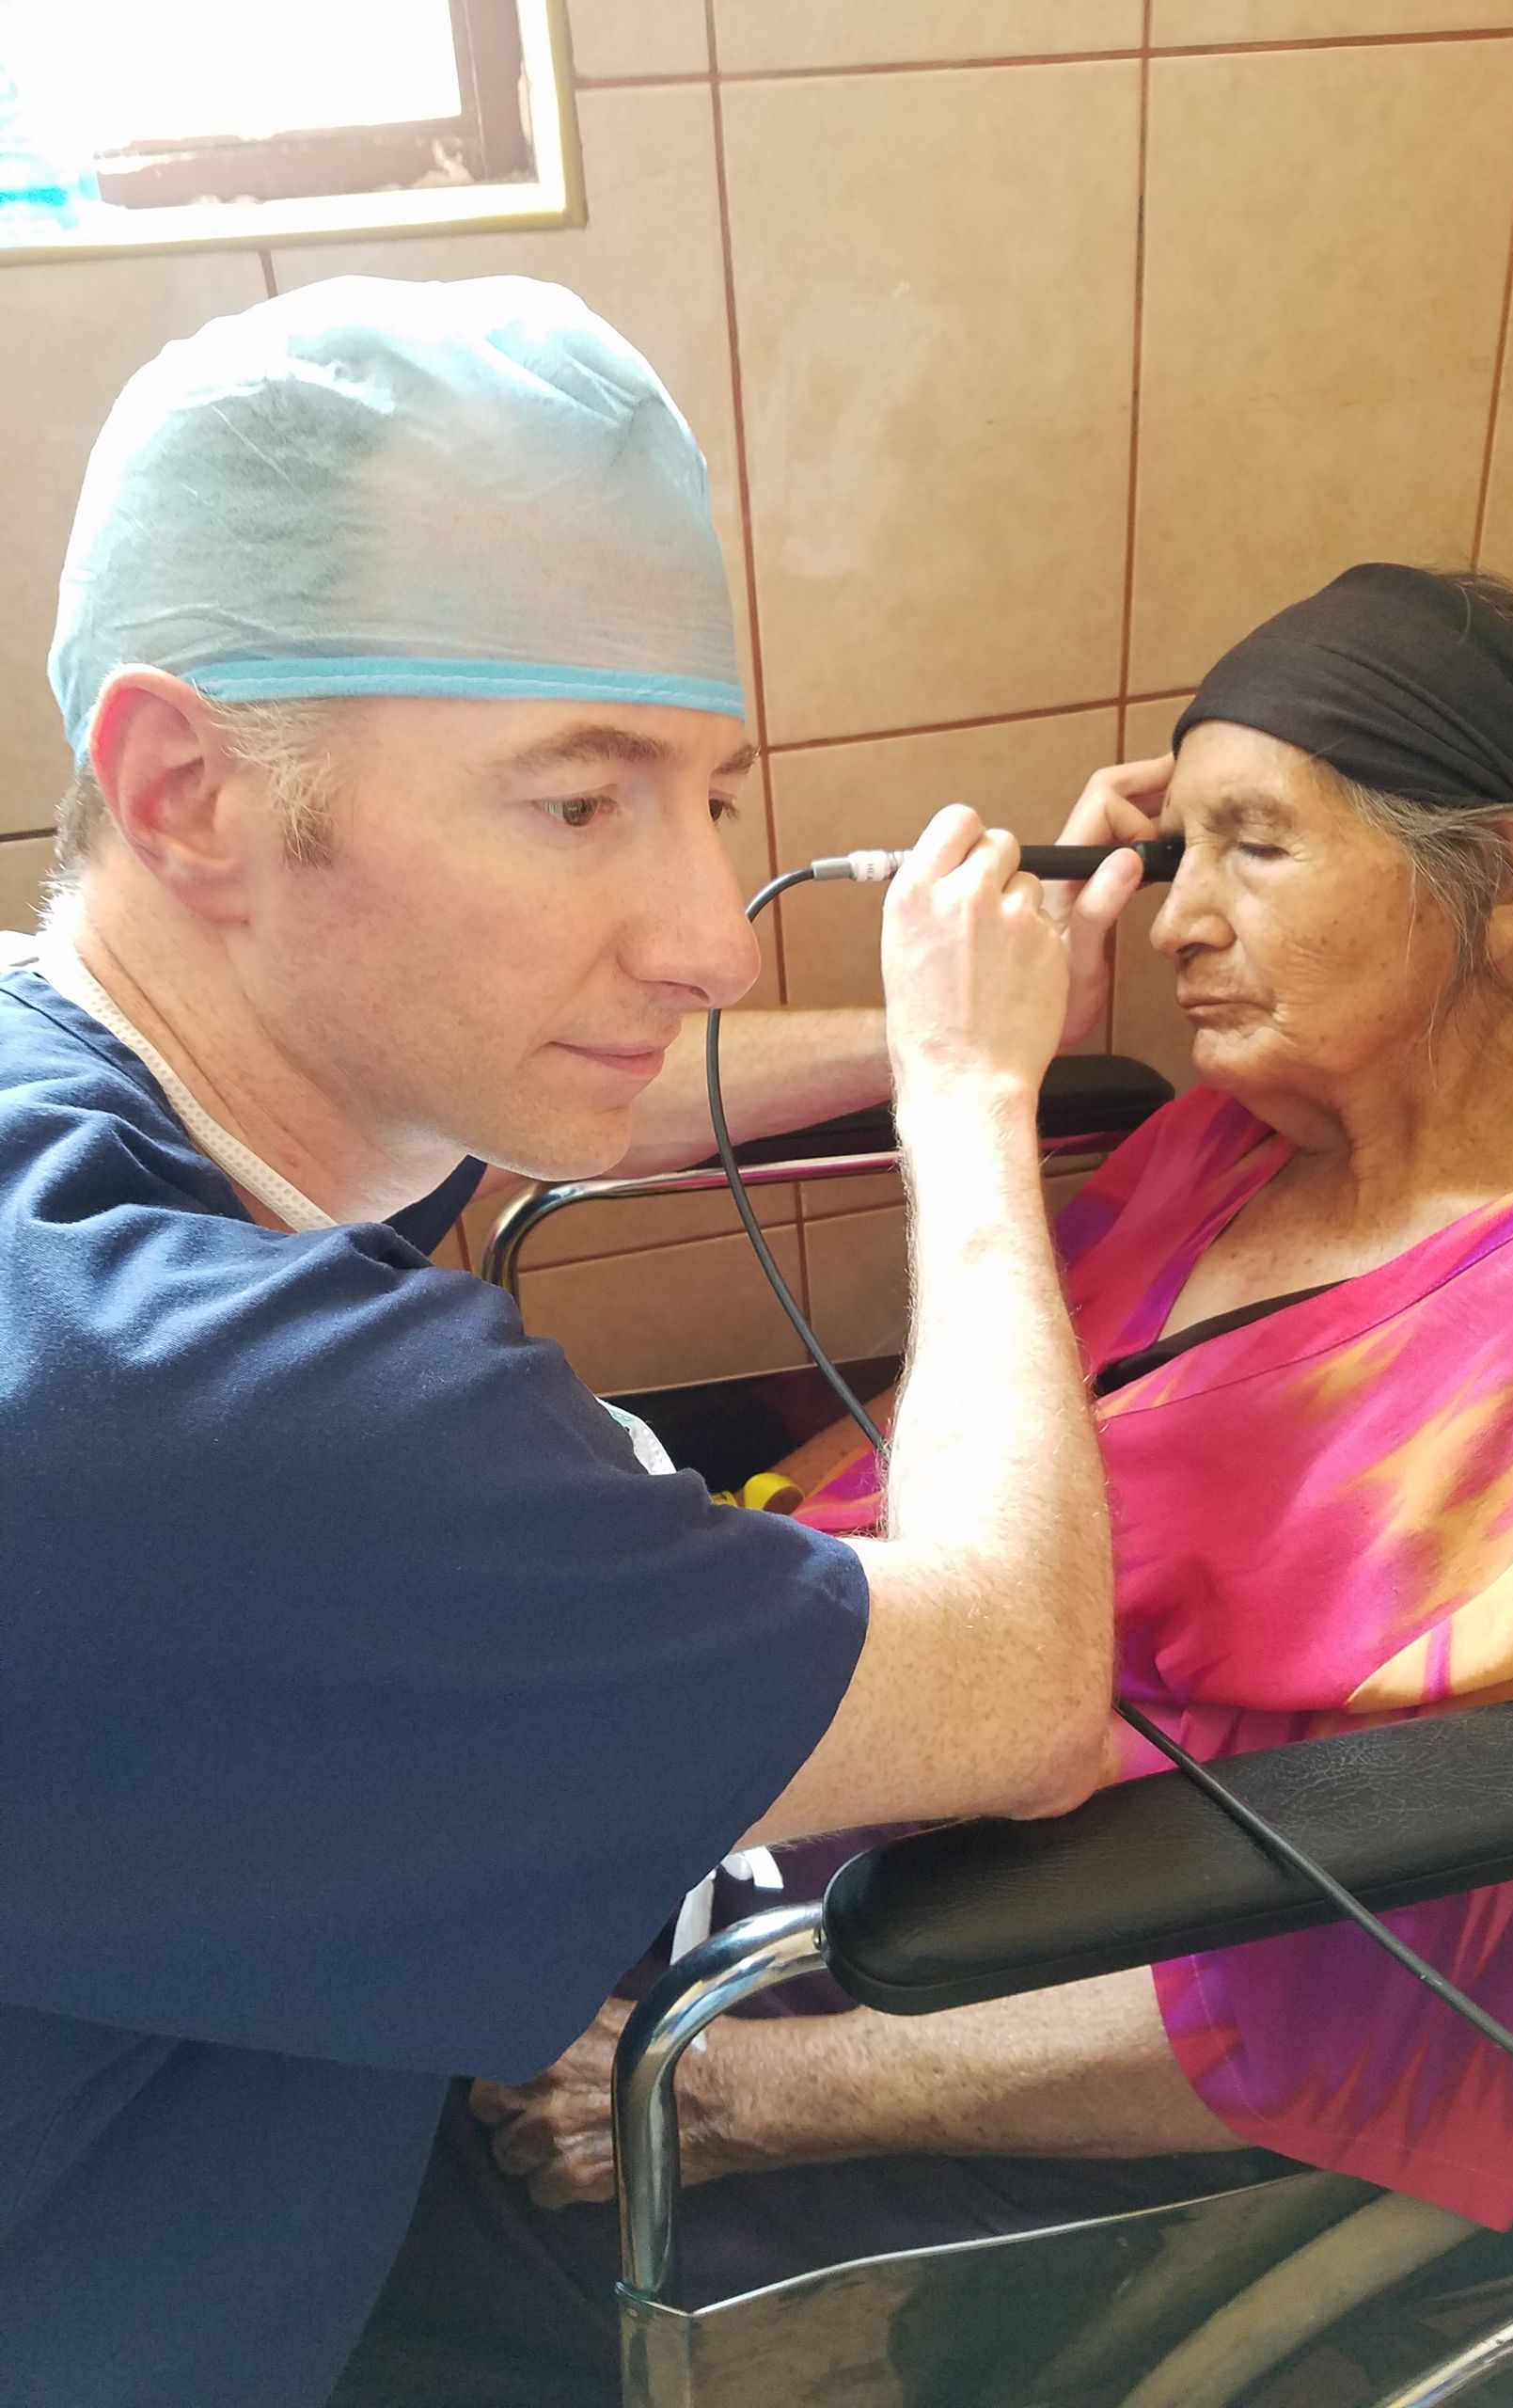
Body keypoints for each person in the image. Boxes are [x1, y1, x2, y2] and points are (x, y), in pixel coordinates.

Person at [427, 566, 1513, 2395]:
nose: (1179, 923)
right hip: (865, 1733)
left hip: (1038, 1975)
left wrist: (748, 2097)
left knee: (460, 2273)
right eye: (1182, 845)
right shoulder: (1263, 1122)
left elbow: (1413, 2001)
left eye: (1258, 845)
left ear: (1509, 878)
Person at [0, 275, 1143, 2408]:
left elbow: (502, 1077)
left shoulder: (74, 1070)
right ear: (187, 789)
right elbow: (1025, 1682)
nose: (709, 933)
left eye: (707, 797)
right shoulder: (217, 1430)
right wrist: (972, 1111)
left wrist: (917, 1026)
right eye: (575, 802)